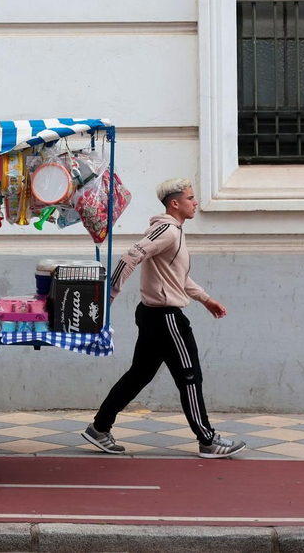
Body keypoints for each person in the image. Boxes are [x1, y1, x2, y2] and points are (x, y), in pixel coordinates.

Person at [82, 178, 247, 460]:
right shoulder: (168, 230)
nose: (195, 203)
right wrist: (108, 297)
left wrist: (205, 299)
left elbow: (177, 277)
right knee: (190, 376)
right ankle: (207, 440)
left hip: (154, 315)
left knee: (139, 376)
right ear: (175, 203)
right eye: (190, 198)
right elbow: (130, 257)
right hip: (165, 317)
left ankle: (99, 428)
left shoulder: (174, 232)